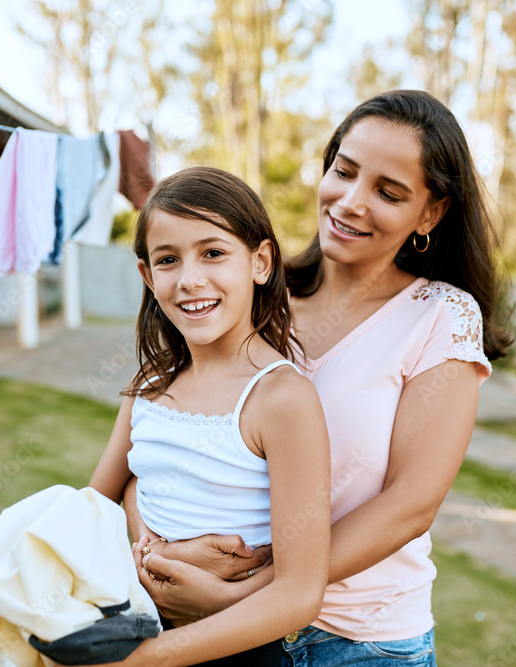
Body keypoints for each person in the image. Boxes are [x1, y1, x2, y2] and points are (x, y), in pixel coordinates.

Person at [122, 90, 513, 667]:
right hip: (224, 635)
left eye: (388, 192)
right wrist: (172, 554)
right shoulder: (251, 296)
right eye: (344, 171)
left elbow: (410, 503)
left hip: (357, 640)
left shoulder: (439, 315)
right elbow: (169, 436)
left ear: (430, 213)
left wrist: (247, 593)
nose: (350, 202)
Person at [54, 165, 330, 666]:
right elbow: (95, 506)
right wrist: (28, 537)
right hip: (135, 617)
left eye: (213, 253)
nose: (190, 279)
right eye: (167, 259)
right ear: (147, 275)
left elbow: (299, 593)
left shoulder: (281, 398)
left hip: (235, 646)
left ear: (261, 261)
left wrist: (149, 657)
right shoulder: (149, 388)